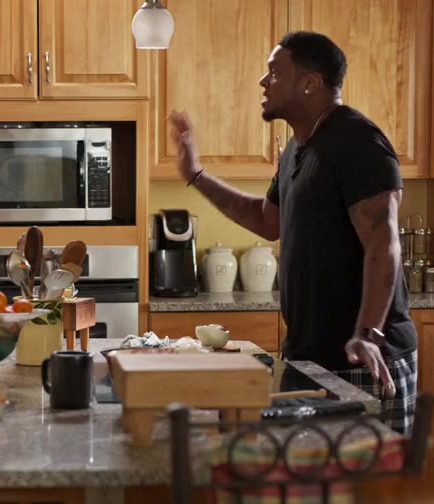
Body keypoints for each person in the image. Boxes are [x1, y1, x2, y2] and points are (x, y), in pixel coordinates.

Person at [168, 31, 418, 434]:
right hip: (312, 357)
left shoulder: (357, 141)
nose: (263, 82)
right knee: (311, 473)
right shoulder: (298, 150)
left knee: (366, 475)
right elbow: (266, 219)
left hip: (362, 358)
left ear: (310, 82)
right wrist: (196, 175)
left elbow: (383, 242)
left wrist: (368, 333)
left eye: (274, 72)